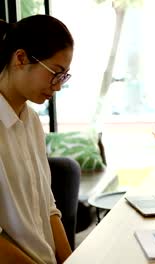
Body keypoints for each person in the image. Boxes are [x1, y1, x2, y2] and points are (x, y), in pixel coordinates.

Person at [0, 15, 74, 263]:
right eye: (55, 72)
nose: (58, 86)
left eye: (64, 76)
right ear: (20, 58)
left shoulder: (31, 121)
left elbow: (48, 208)